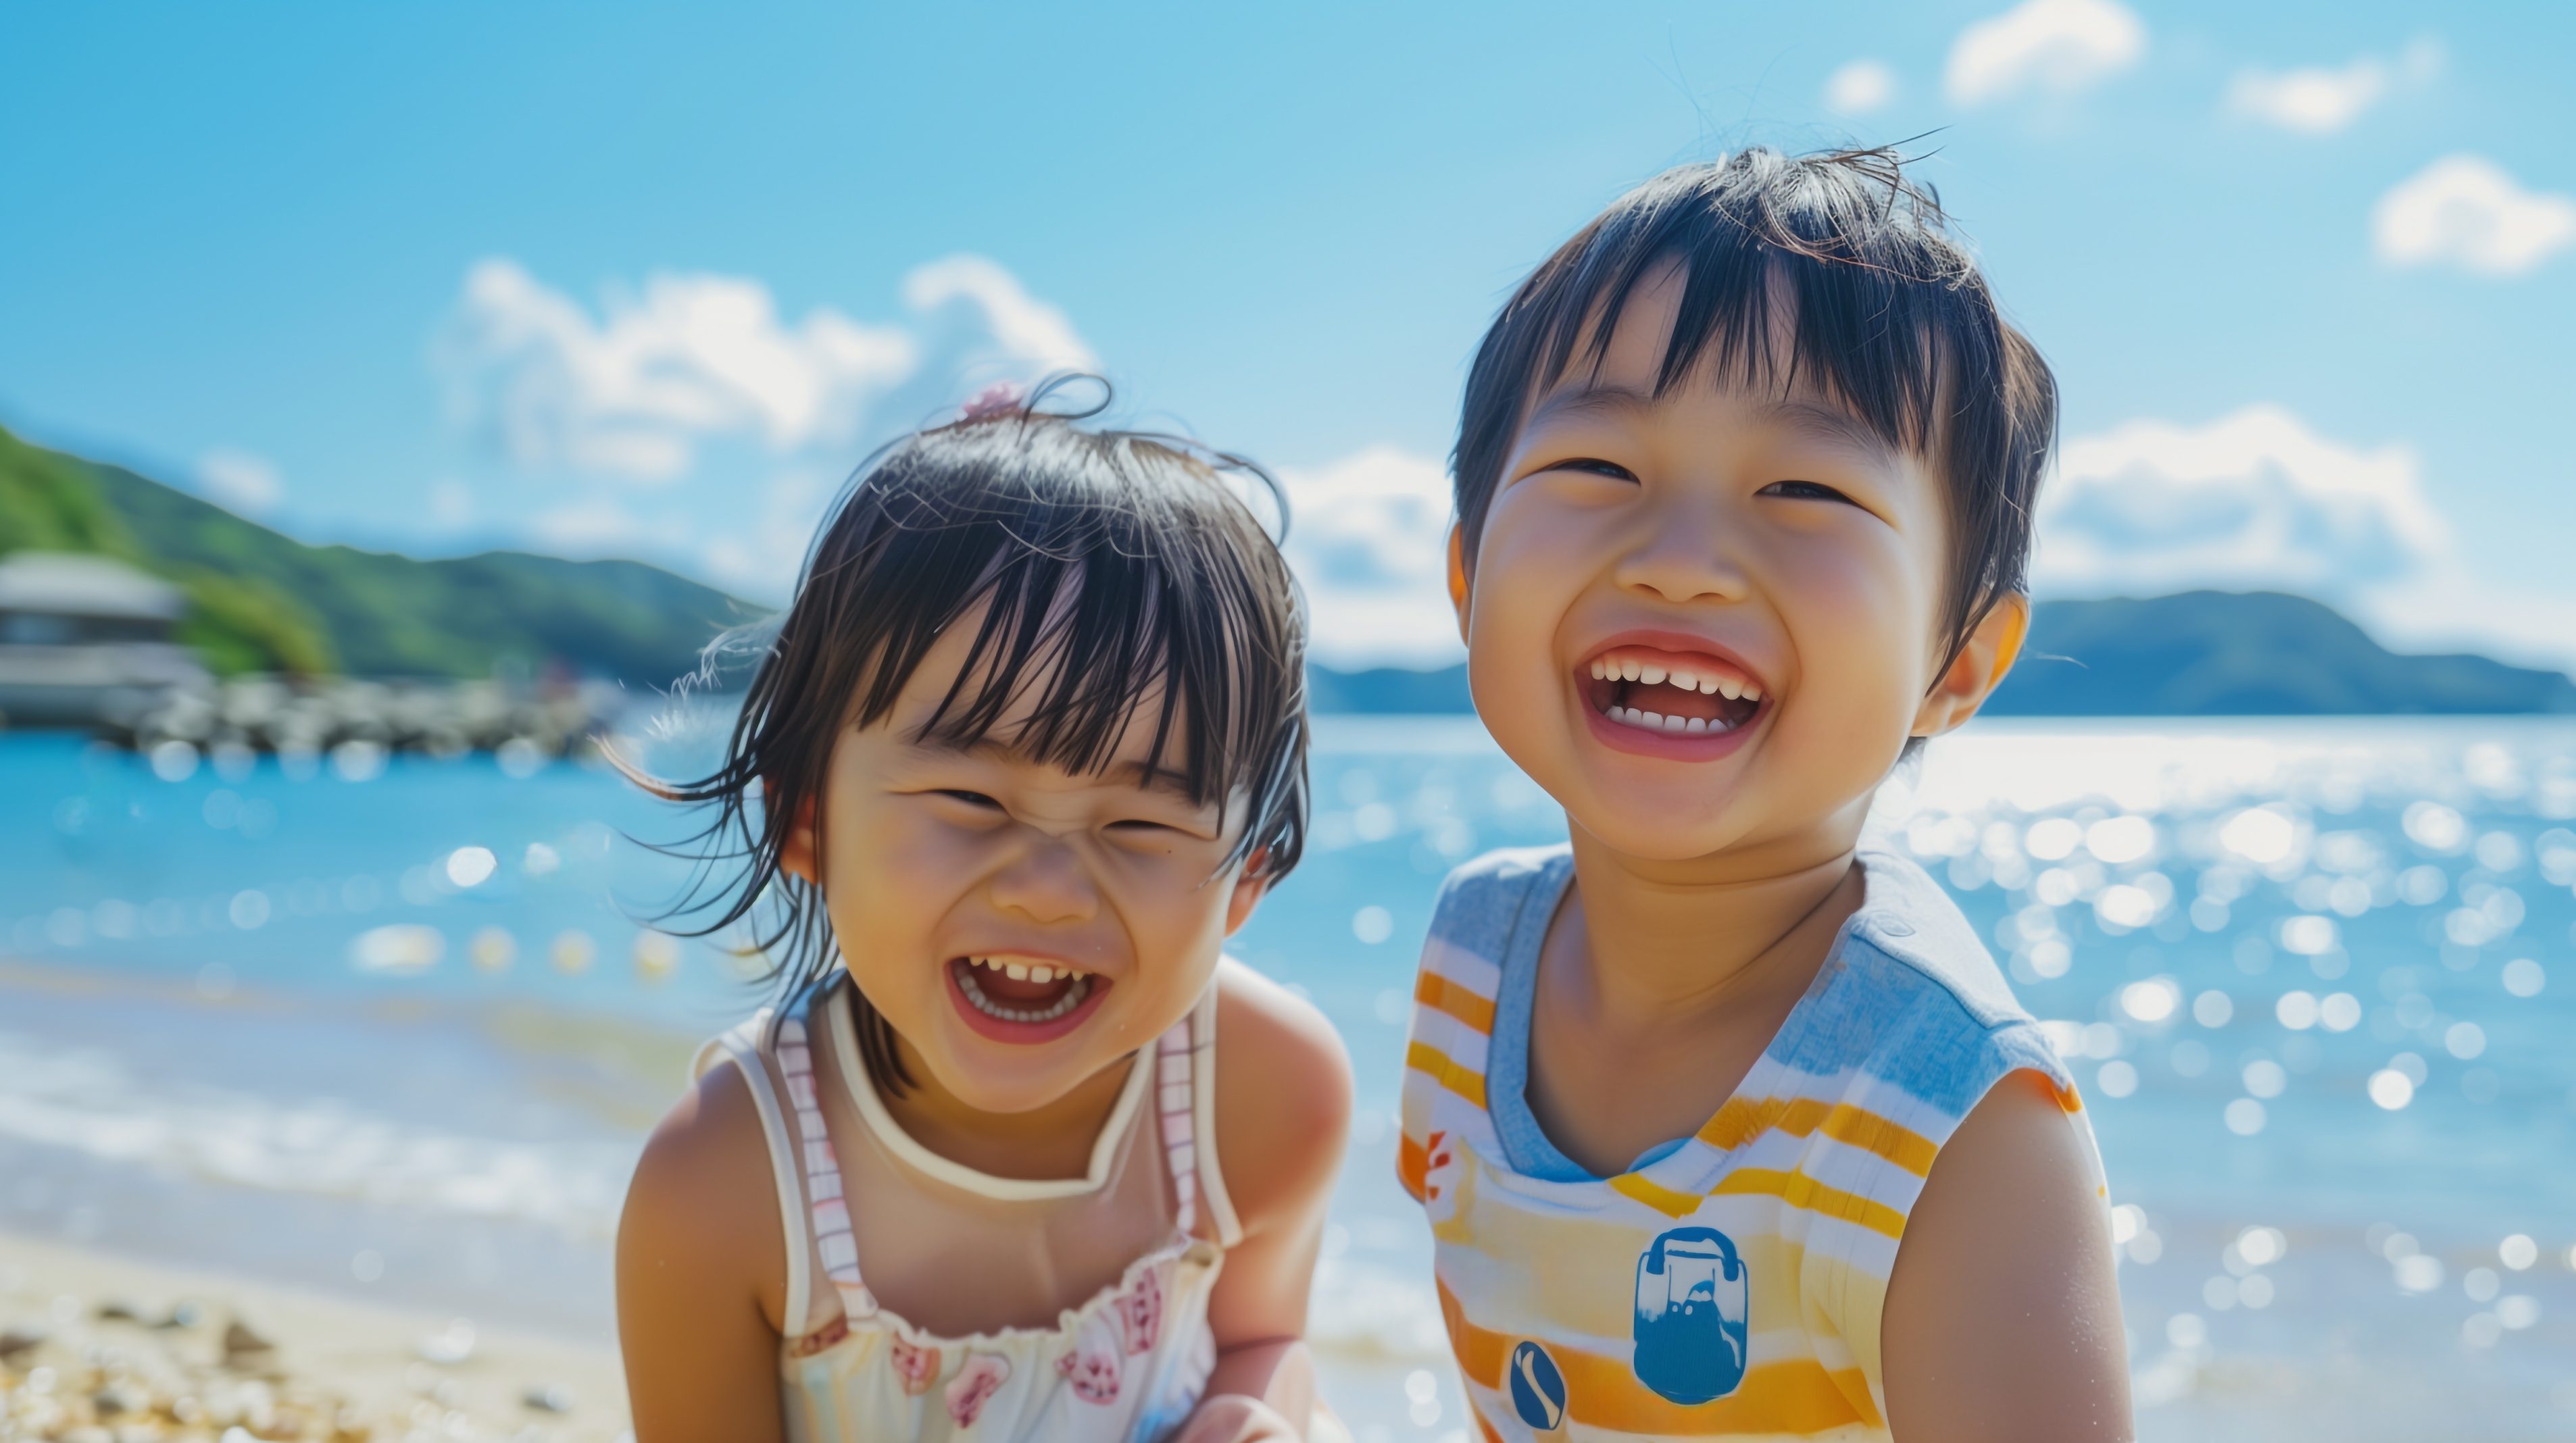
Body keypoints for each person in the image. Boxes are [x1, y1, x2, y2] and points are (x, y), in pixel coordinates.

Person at [1398, 147, 2129, 1441]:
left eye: (1804, 490)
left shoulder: (1950, 1123)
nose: (1681, 564)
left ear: (1956, 664)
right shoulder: (1473, 960)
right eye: (1598, 472)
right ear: (1467, 582)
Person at [616, 382, 1353, 1443]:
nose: (1046, 888)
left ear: (1245, 880)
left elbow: (1267, 1338)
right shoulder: (726, 1185)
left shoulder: (1268, 1088)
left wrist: (1246, 1411)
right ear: (809, 822)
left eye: (1141, 823)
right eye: (971, 801)